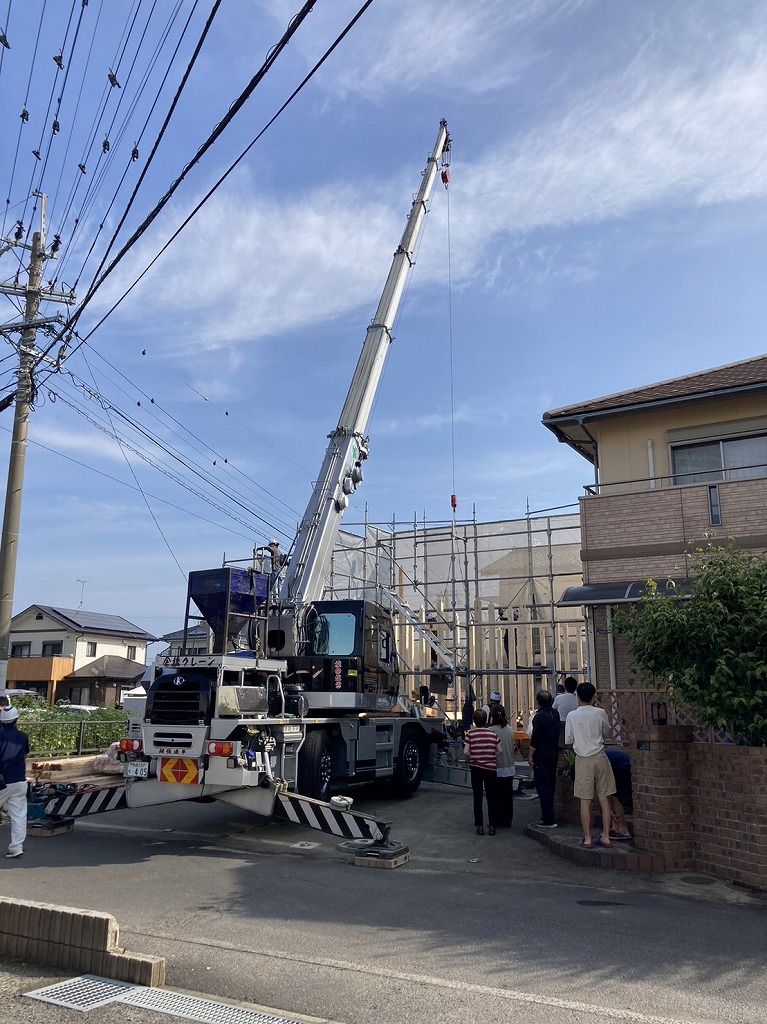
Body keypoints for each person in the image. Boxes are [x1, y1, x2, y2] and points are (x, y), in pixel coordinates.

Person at [564, 682, 616, 849]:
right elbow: (607, 732)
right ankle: (606, 836)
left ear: (577, 696)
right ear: (594, 696)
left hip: (582, 759)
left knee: (585, 801)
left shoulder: (572, 715)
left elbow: (568, 740)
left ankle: (587, 838)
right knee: (604, 798)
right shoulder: (600, 713)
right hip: (600, 756)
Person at [463, 708, 501, 835]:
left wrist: (474, 757)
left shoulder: (470, 734)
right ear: (486, 720)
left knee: (477, 797)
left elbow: (466, 752)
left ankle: (479, 826)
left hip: (476, 769)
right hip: (491, 768)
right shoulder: (493, 734)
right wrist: (491, 756)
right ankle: (492, 827)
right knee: (492, 797)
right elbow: (500, 750)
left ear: (474, 721)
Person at [0, 706, 29, 858]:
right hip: (19, 780)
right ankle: (17, 847)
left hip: (2, 781)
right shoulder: (23, 736)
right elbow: (24, 754)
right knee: (18, 816)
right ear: (16, 720)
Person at [528, 690, 560, 828]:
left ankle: (548, 819)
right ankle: (549, 815)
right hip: (553, 755)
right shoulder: (555, 714)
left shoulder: (539, 717)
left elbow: (535, 739)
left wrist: (530, 755)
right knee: (551, 786)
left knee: (543, 787)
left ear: (538, 702)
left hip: (541, 756)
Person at [489, 704, 515, 828]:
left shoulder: (491, 731)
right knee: (507, 796)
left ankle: (496, 821)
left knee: (496, 797)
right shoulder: (510, 730)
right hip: (509, 766)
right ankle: (507, 821)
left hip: (496, 767)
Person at [605, 747, 632, 840]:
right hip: (621, 767)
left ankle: (623, 830)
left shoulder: (596, 761)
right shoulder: (599, 756)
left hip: (624, 769)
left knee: (614, 798)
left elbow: (606, 788)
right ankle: (616, 827)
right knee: (612, 796)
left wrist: (611, 808)